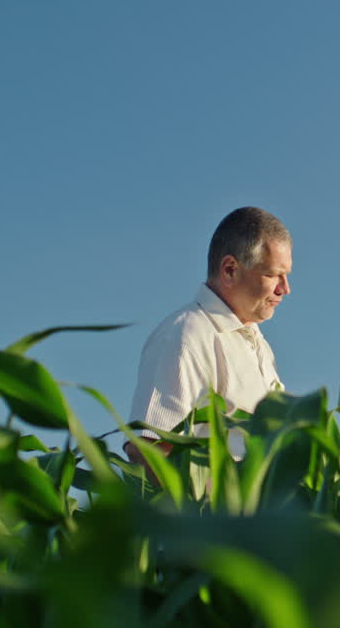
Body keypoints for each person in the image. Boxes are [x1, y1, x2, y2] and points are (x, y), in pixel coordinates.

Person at [125, 206, 292, 493]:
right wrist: (203, 525)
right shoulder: (185, 335)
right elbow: (149, 447)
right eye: (274, 275)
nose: (284, 289)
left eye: (286, 275)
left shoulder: (259, 345)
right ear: (230, 270)